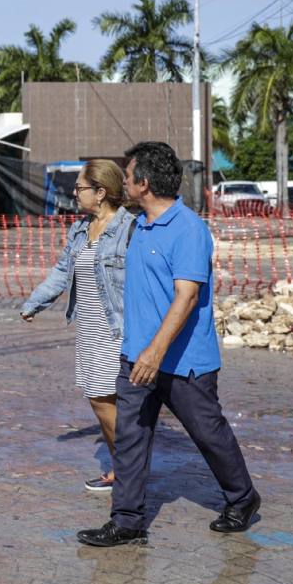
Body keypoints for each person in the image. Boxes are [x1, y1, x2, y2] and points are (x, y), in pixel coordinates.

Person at [77, 140, 261, 548]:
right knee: (130, 438)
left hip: (183, 361)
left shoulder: (189, 229)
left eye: (127, 176)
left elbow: (187, 297)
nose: (123, 181)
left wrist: (155, 352)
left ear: (143, 183)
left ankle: (243, 498)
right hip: (135, 357)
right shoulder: (139, 223)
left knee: (208, 435)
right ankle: (127, 521)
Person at [19, 159, 131, 493]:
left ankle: (128, 472)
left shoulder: (130, 228)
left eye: (79, 187)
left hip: (118, 328)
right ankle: (123, 468)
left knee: (104, 400)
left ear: (100, 192)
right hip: (89, 330)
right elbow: (62, 270)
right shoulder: (80, 228)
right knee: (101, 401)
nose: (74, 192)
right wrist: (35, 302)